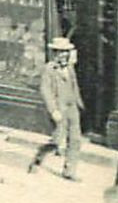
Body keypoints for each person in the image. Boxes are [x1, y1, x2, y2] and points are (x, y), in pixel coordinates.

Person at [29, 36, 84, 180]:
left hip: (72, 108)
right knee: (57, 140)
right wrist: (53, 110)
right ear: (54, 53)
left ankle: (69, 171)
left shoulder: (70, 67)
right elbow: (45, 90)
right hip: (59, 110)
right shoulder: (49, 69)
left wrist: (79, 103)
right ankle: (38, 157)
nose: (64, 55)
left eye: (66, 52)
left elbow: (74, 86)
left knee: (75, 139)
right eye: (60, 52)